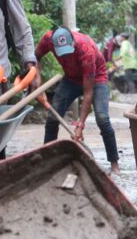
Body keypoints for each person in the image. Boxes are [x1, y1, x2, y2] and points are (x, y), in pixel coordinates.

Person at [36, 26, 121, 174]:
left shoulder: (85, 50)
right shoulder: (48, 39)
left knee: (102, 118)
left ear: (73, 42)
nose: (66, 55)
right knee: (52, 118)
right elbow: (35, 57)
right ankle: (48, 160)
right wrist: (37, 80)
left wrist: (80, 125)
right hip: (71, 79)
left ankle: (114, 163)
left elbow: (88, 93)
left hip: (96, 78)